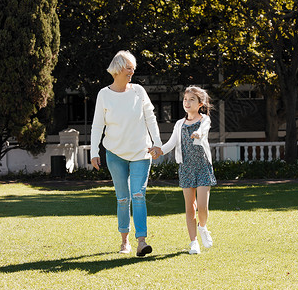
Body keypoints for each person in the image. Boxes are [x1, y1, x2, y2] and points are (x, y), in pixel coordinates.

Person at [90, 50, 162, 257]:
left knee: (138, 195)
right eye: (129, 68)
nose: (132, 72)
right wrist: (94, 151)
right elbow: (97, 126)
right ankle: (125, 242)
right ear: (119, 68)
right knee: (123, 198)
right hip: (115, 153)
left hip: (141, 152)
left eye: (133, 68)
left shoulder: (139, 91)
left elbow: (150, 117)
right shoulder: (104, 95)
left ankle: (142, 241)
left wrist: (157, 143)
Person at [160, 86, 217, 254]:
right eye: (185, 99)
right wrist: (158, 151)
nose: (187, 102)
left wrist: (198, 134)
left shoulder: (204, 119)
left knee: (202, 207)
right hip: (186, 168)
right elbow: (170, 144)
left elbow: (203, 130)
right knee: (189, 207)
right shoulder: (179, 124)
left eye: (192, 99)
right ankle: (193, 243)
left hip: (203, 167)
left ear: (200, 103)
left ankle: (203, 227)